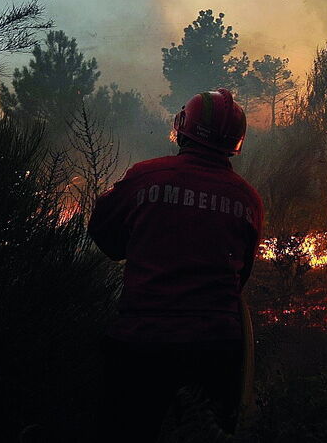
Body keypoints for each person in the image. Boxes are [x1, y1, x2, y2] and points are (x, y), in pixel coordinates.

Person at [88, 88, 263, 442]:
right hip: (216, 348)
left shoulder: (145, 177)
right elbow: (240, 275)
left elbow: (104, 235)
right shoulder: (248, 199)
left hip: (140, 343)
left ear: (183, 128)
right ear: (235, 143)